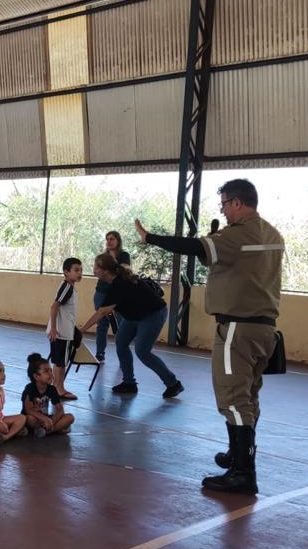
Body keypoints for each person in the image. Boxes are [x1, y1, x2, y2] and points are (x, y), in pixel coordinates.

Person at [134, 178, 283, 495]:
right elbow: (227, 260)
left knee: (232, 398)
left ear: (238, 203)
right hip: (265, 329)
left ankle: (243, 473)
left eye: (225, 204)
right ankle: (237, 455)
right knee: (249, 396)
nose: (224, 210)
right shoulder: (272, 234)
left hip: (236, 329)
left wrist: (151, 238)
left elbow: (195, 248)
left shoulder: (238, 234)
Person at [81, 254, 184, 399]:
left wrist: (82, 330)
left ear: (105, 271)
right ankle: (129, 383)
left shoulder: (119, 283)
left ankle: (173, 383)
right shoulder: (113, 283)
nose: (94, 271)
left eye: (96, 268)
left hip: (153, 314)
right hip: (134, 316)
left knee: (142, 351)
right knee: (121, 342)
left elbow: (102, 312)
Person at [47, 257, 83, 401]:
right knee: (61, 362)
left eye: (80, 270)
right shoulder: (67, 287)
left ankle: (57, 387)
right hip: (62, 332)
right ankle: (59, 388)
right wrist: (54, 328)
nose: (79, 273)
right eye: (75, 270)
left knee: (59, 361)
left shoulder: (69, 287)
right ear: (66, 272)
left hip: (64, 330)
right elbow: (54, 306)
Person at [94, 231, 132, 362]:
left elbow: (124, 270)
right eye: (107, 239)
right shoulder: (103, 256)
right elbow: (97, 271)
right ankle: (100, 353)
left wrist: (112, 261)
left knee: (121, 324)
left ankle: (122, 353)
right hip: (101, 292)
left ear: (118, 241)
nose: (109, 241)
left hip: (119, 293)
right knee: (102, 323)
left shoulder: (124, 255)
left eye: (112, 239)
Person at [21, 354, 75, 437]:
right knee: (29, 419)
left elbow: (60, 410)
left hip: (46, 419)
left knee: (70, 417)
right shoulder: (30, 388)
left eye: (50, 370)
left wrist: (51, 421)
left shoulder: (52, 389)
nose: (50, 374)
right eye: (46, 371)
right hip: (34, 418)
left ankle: (45, 430)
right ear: (36, 376)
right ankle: (53, 429)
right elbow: (28, 410)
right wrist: (45, 419)